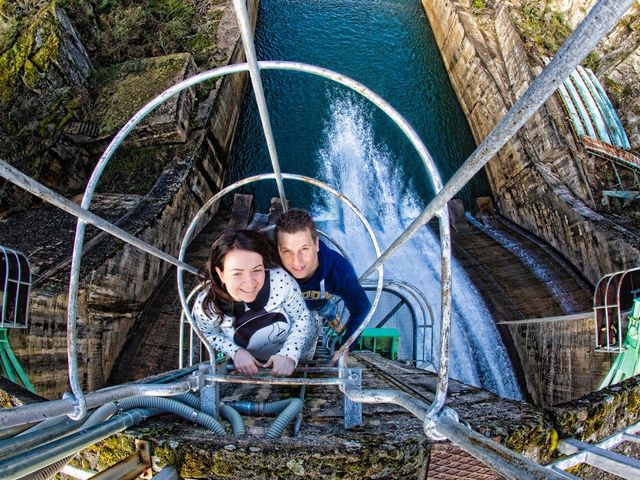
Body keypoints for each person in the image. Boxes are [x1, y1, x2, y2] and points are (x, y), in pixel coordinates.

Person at [192, 229, 317, 376]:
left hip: (303, 353)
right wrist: (235, 351)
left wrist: (290, 354)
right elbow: (208, 333)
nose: (250, 283)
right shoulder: (208, 305)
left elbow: (302, 317)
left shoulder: (280, 280)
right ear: (221, 274)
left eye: (257, 270)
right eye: (237, 273)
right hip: (253, 363)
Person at [275, 209, 371, 364]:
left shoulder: (337, 269)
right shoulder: (271, 266)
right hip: (287, 310)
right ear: (278, 250)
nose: (297, 262)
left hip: (320, 304)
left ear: (316, 244)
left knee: (331, 314)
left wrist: (345, 346)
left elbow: (362, 308)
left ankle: (337, 328)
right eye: (287, 251)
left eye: (304, 249)